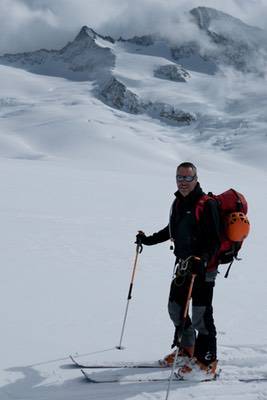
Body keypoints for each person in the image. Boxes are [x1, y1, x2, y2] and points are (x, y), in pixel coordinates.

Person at [136, 162, 221, 380]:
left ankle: (207, 362)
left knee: (201, 316)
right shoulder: (178, 202)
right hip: (183, 267)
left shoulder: (206, 204)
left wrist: (201, 261)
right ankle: (187, 350)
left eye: (187, 178)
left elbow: (215, 241)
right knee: (176, 309)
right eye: (180, 178)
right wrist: (149, 240)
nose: (183, 182)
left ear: (196, 179)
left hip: (203, 270)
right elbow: (172, 230)